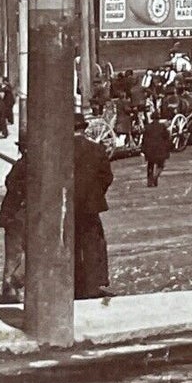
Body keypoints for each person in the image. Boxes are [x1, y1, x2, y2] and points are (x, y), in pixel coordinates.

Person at [72, 114, 114, 299]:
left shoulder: (61, 150)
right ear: (84, 128)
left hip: (67, 205)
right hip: (90, 206)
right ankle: (92, 286)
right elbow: (107, 177)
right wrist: (96, 194)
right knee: (92, 245)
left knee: (70, 244)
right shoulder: (96, 149)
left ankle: (74, 284)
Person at [0, 146, 27, 301]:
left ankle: (10, 291)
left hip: (13, 217)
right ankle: (14, 283)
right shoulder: (28, 165)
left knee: (12, 256)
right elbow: (14, 187)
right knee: (27, 254)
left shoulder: (19, 165)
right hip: (20, 216)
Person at [142, 114, 173, 186]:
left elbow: (144, 140)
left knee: (150, 165)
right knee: (161, 165)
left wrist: (143, 149)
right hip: (160, 150)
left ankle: (149, 181)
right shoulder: (162, 127)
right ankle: (155, 176)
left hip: (149, 150)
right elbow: (167, 138)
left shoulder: (147, 127)